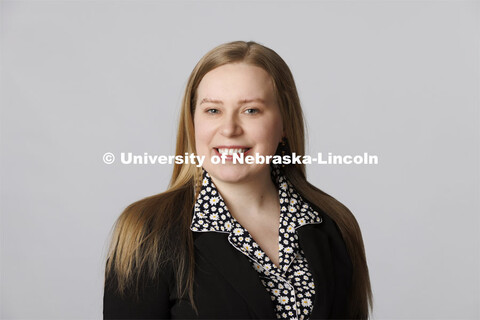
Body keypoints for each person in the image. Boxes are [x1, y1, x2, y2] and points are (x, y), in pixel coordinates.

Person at [103, 41, 373, 319]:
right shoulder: (147, 231)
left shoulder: (334, 223)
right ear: (192, 122)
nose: (229, 129)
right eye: (213, 110)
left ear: (284, 125)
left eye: (251, 110)